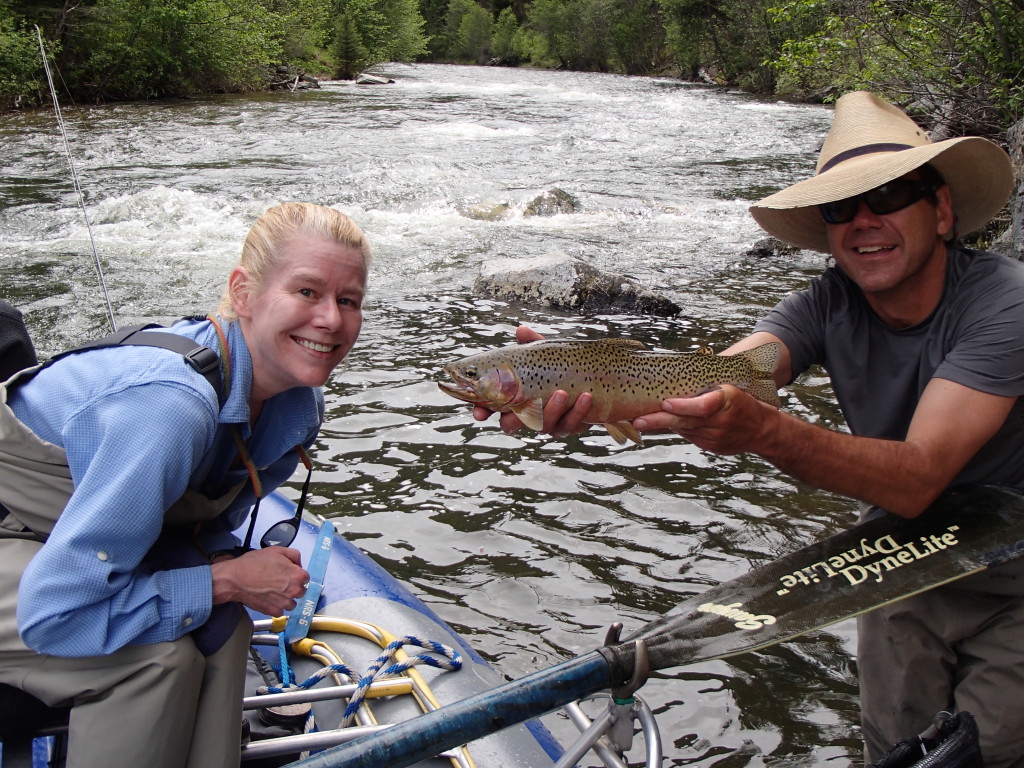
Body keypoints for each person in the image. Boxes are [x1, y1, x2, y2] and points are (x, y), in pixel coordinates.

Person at [474, 92, 1024, 766]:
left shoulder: (1006, 305)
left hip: (1014, 573)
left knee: (983, 755)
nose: (863, 221)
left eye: (890, 197)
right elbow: (725, 379)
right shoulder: (826, 303)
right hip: (898, 562)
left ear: (941, 211)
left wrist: (766, 432)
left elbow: (918, 477)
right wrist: (585, 384)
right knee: (895, 753)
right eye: (841, 207)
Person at [0, 201, 370, 768]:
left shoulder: (296, 405)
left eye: (348, 300)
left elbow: (194, 528)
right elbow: (56, 611)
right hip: (23, 545)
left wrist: (220, 586)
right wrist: (223, 580)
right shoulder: (171, 406)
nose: (331, 320)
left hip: (66, 537)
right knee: (156, 661)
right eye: (307, 292)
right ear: (242, 293)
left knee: (223, 633)